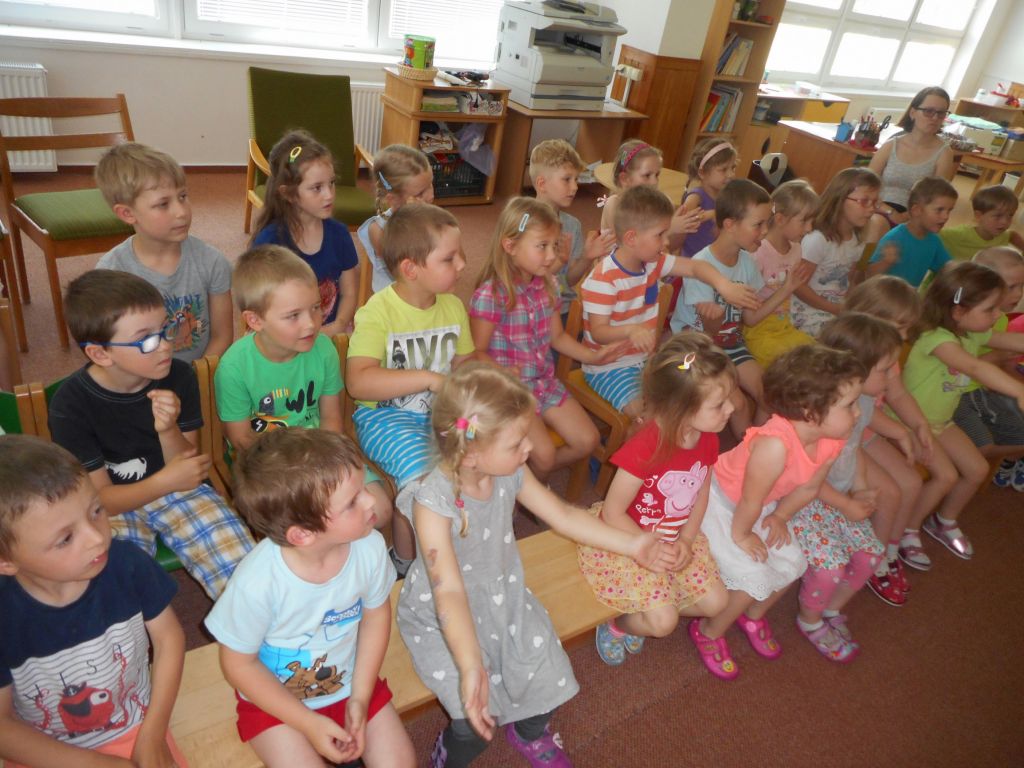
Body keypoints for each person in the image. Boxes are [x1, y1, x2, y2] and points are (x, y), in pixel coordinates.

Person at [395, 363, 670, 767]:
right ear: (470, 455)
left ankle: (528, 733)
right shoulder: (432, 504)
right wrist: (470, 665)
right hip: (442, 615)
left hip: (502, 596)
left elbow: (564, 515)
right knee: (472, 722)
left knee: (551, 677)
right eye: (516, 442)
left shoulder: (510, 470)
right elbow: (448, 591)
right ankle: (449, 756)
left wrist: (635, 544)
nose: (529, 448)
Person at [205, 429, 414, 768]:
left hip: (350, 682)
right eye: (352, 501)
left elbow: (376, 616)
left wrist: (360, 697)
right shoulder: (257, 583)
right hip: (274, 704)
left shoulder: (370, 547)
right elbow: (239, 665)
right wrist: (308, 723)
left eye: (363, 488)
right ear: (302, 534)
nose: (370, 501)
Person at [50, 270, 253, 599]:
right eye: (146, 339)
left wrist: (168, 428)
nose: (165, 345)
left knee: (243, 572)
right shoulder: (70, 405)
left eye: (164, 329)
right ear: (100, 354)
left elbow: (187, 467)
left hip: (180, 491)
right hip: (115, 506)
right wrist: (164, 482)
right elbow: (99, 498)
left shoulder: (179, 376)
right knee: (111, 587)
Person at [214, 245, 409, 573]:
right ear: (255, 320)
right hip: (269, 466)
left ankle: (345, 566)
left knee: (379, 510)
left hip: (323, 452)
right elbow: (242, 440)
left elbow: (331, 419)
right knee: (308, 527)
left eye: (316, 308)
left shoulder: (323, 350)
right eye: (293, 315)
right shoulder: (234, 368)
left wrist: (327, 468)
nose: (311, 324)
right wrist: (302, 475)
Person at [0, 436, 188, 768]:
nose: (98, 537)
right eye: (66, 538)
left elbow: (169, 639)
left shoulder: (128, 563)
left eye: (96, 511)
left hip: (137, 727)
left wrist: (153, 732)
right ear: (6, 561)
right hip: (45, 751)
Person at [691, 344, 863, 680]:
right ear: (810, 411)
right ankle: (709, 631)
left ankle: (752, 615)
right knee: (751, 574)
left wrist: (781, 517)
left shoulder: (832, 439)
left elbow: (808, 489)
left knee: (795, 562)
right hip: (720, 502)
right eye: (849, 405)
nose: (858, 413)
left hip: (760, 506)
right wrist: (743, 536)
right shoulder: (775, 445)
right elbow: (749, 499)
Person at [577, 333, 730, 666]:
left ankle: (648, 603)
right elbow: (613, 513)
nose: (730, 409)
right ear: (681, 408)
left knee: (717, 603)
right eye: (719, 405)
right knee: (663, 623)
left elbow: (700, 494)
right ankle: (619, 624)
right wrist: (649, 547)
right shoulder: (647, 445)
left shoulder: (707, 437)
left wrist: (686, 540)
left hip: (674, 536)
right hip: (630, 538)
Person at [470, 197, 627, 477]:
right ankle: (526, 486)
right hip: (509, 391)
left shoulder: (549, 284)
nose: (552, 256)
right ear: (510, 246)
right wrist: (503, 373)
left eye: (554, 246)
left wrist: (593, 356)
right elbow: (477, 352)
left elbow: (557, 337)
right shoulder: (490, 295)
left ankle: (521, 482)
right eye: (542, 246)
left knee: (588, 441)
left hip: (543, 382)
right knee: (543, 456)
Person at [580, 185, 759, 424]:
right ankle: (633, 445)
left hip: (645, 358)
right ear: (631, 238)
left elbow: (695, 267)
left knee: (681, 396)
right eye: (660, 234)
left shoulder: (652, 263)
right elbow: (599, 332)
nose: (666, 241)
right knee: (647, 417)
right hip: (608, 366)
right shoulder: (603, 279)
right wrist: (631, 330)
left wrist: (723, 285)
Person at [790, 314, 902, 660]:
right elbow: (806, 477)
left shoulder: (859, 405)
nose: (893, 375)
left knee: (870, 554)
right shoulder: (823, 415)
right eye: (885, 369)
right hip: (803, 500)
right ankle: (809, 620)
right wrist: (847, 503)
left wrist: (861, 487)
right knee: (830, 567)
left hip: (837, 497)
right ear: (856, 370)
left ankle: (830, 608)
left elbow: (854, 450)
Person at [346, 203, 476, 491]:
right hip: (385, 418)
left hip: (445, 412)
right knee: (425, 482)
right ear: (410, 269)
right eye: (449, 258)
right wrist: (428, 379)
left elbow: (464, 363)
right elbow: (358, 383)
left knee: (488, 453)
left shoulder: (454, 307)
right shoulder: (376, 313)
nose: (462, 264)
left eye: (461, 254)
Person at [672, 178, 816, 436]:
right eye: (758, 224)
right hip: (697, 345)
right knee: (737, 404)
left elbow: (750, 318)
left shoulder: (747, 262)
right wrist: (719, 310)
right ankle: (743, 450)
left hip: (730, 341)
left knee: (768, 396)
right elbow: (709, 333)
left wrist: (787, 288)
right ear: (730, 225)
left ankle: (751, 448)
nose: (765, 231)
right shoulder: (701, 264)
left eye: (766, 223)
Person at [903, 261, 1024, 560]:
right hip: (912, 422)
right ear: (958, 311)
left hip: (941, 422)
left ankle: (943, 521)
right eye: (990, 309)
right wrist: (1019, 390)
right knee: (946, 476)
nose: (998, 316)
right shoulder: (937, 339)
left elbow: (1013, 341)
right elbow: (975, 367)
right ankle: (907, 529)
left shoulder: (970, 333)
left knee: (977, 469)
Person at [841, 276, 957, 584]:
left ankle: (889, 548)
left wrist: (917, 426)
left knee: (911, 482)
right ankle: (873, 557)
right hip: (847, 438)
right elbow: (860, 414)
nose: (906, 337)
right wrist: (899, 431)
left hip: (865, 431)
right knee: (891, 493)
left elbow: (898, 394)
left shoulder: (886, 356)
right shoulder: (853, 360)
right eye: (901, 328)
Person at [96, 142, 233, 363]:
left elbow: (222, 336)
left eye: (183, 196)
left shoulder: (212, 261)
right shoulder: (112, 272)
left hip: (199, 374)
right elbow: (115, 347)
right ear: (127, 214)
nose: (181, 212)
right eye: (163, 204)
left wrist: (197, 375)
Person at [252, 129, 359, 336]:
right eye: (317, 188)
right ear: (289, 194)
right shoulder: (270, 241)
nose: (329, 195)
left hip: (330, 335)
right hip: (284, 338)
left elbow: (349, 293)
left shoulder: (339, 234)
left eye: (331, 183)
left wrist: (337, 326)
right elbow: (260, 305)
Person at [954, 247, 1024, 490]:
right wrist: (997, 359)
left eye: (1021, 286)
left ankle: (1008, 458)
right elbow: (965, 367)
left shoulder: (998, 318)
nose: (1018, 294)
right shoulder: (963, 322)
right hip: (961, 394)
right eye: (1011, 287)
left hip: (982, 390)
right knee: (985, 448)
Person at [791, 167, 881, 337]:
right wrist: (835, 309)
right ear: (839, 199)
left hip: (835, 310)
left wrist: (852, 307)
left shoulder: (858, 241)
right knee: (845, 338)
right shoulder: (818, 239)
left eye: (875, 202)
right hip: (807, 312)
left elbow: (850, 281)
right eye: (864, 201)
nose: (872, 209)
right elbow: (798, 287)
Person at [529, 139, 615, 315]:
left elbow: (568, 281)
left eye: (576, 179)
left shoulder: (572, 225)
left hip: (561, 309)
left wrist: (587, 257)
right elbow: (525, 281)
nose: (575, 187)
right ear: (542, 184)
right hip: (527, 310)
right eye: (567, 179)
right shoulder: (523, 222)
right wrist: (559, 261)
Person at [866, 86, 957, 244]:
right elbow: (865, 186)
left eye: (941, 113)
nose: (935, 117)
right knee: (876, 225)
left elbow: (939, 199)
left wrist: (908, 215)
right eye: (928, 111)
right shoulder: (891, 145)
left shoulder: (944, 153)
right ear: (913, 112)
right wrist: (889, 211)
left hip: (916, 216)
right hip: (880, 208)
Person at [744, 179, 819, 366]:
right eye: (804, 221)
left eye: (812, 221)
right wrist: (787, 288)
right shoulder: (757, 253)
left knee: (816, 353)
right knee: (787, 362)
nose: (810, 228)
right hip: (758, 331)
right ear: (780, 219)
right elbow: (749, 320)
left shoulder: (796, 249)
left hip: (783, 325)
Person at [358, 144, 435, 294]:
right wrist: (413, 222)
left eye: (430, 184)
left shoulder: (429, 215)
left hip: (423, 288)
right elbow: (403, 270)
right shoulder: (378, 230)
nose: (430, 196)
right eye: (420, 193)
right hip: (393, 296)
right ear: (393, 199)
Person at [867, 176, 957, 287]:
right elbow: (869, 275)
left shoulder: (934, 241)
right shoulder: (894, 237)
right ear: (916, 210)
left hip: (909, 295)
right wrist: (886, 262)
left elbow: (949, 269)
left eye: (949, 211)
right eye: (939, 210)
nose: (946, 217)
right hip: (883, 295)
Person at [940, 184, 1024, 261]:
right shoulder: (960, 234)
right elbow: (935, 235)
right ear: (978, 215)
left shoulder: (1003, 235)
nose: (1005, 221)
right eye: (998, 216)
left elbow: (1011, 235)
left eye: (1010, 215)